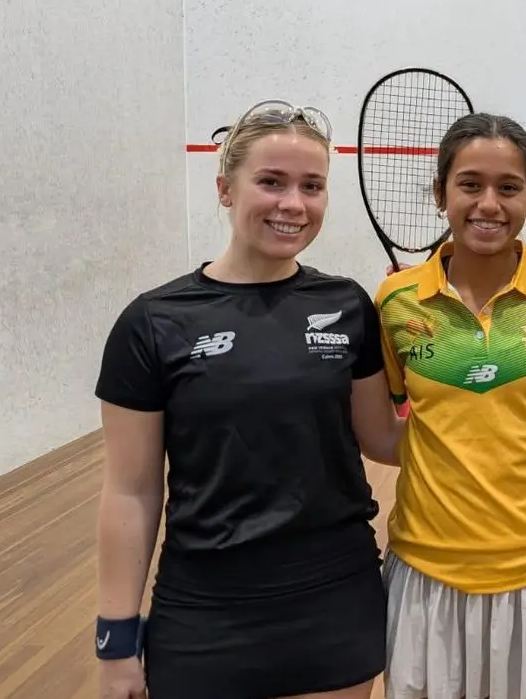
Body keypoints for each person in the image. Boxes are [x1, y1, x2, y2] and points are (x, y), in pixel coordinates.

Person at [93, 100, 404, 699]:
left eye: (312, 186)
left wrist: (476, 397)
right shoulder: (153, 322)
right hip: (206, 606)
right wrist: (116, 640)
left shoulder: (347, 306)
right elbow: (131, 491)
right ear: (225, 189)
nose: (294, 204)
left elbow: (385, 440)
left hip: (335, 598)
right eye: (271, 182)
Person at [374, 113, 526, 699]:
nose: (489, 204)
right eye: (470, 184)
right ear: (441, 193)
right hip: (428, 569)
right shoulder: (396, 300)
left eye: (509, 187)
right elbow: (386, 428)